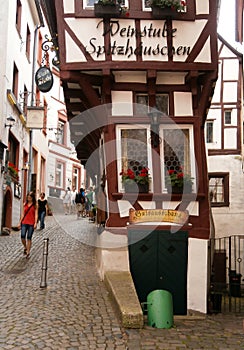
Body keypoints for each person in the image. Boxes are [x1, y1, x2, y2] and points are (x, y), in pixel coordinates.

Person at [18, 191, 38, 259]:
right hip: (24, 222)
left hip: (31, 223)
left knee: (29, 237)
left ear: (32, 198)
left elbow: (36, 214)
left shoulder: (35, 205)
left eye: (30, 197)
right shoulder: (25, 204)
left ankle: (28, 252)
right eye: (28, 197)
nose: (29, 198)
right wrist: (20, 222)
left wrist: (35, 223)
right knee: (22, 236)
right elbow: (23, 214)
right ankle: (25, 247)